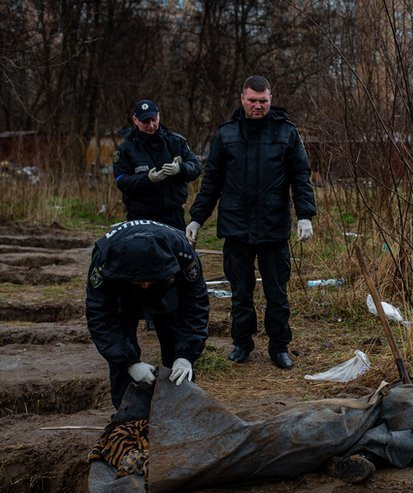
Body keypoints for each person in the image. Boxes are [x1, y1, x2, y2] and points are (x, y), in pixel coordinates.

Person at [186, 75, 316, 370]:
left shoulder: (286, 133)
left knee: (277, 293)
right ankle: (242, 343)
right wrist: (197, 219)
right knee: (240, 291)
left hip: (273, 227)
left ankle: (279, 346)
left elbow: (301, 176)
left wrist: (305, 214)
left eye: (263, 101)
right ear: (242, 98)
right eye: (252, 100)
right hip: (236, 227)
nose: (258, 106)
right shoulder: (226, 135)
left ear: (270, 99)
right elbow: (212, 182)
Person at [86, 219, 209, 409]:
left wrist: (186, 354)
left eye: (148, 280)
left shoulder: (182, 253)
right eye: (140, 281)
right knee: (122, 345)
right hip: (122, 290)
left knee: (173, 335)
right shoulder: (105, 259)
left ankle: (181, 408)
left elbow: (194, 305)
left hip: (166, 285)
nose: (145, 286)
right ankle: (127, 413)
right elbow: (101, 317)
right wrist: (129, 363)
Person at [113, 99, 201, 229]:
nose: (151, 125)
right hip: (140, 217)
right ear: (135, 120)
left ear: (159, 116)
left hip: (173, 215)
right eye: (145, 121)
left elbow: (196, 167)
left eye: (154, 119)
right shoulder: (125, 149)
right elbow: (122, 181)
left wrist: (180, 169)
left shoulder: (175, 142)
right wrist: (147, 179)